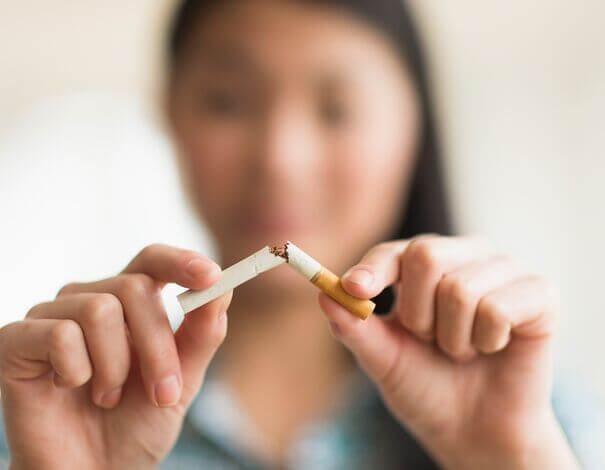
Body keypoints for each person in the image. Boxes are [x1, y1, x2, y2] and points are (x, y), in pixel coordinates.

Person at [0, 1, 602, 468]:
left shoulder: (539, 418)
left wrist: (508, 458)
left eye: (336, 109)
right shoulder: (64, 405)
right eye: (228, 102)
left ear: (412, 128)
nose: (280, 158)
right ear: (170, 114)